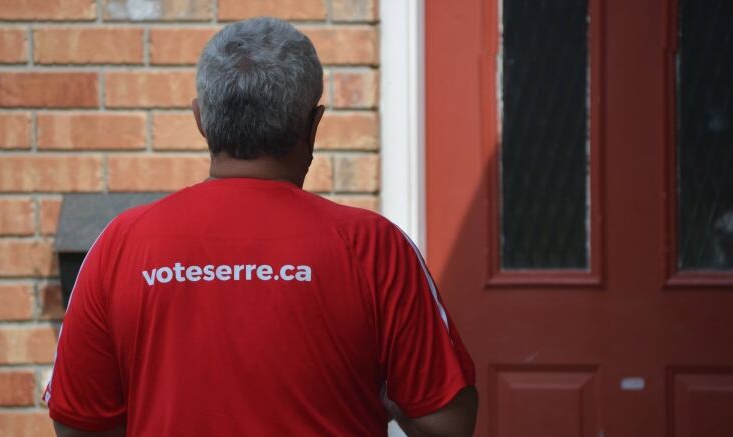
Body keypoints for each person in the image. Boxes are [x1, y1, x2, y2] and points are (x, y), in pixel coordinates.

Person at [45, 17, 478, 437]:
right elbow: (449, 422)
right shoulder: (374, 247)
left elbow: (76, 421)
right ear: (313, 125)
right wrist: (386, 391)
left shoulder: (122, 243)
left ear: (201, 120)